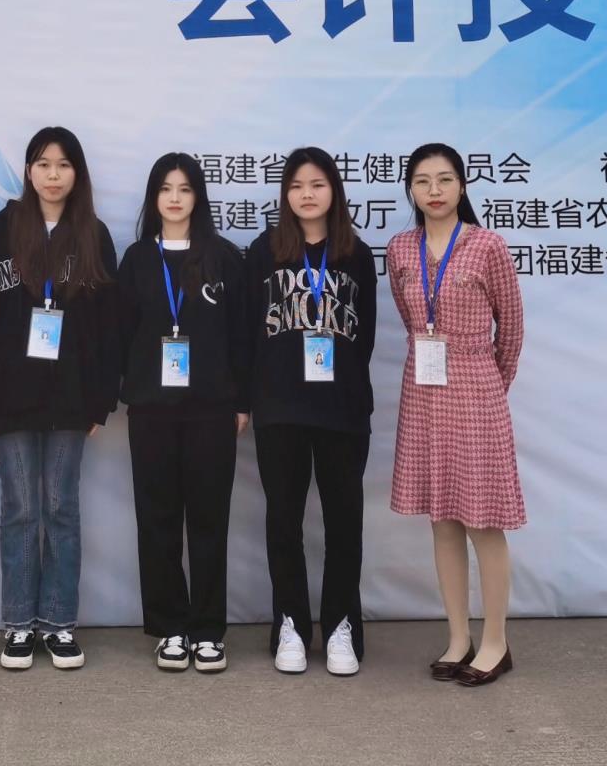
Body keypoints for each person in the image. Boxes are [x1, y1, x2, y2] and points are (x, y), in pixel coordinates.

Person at [0, 127, 118, 671]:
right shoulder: (3, 231)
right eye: (43, 164)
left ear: (78, 173)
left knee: (61, 508)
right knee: (21, 509)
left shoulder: (93, 234)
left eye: (64, 164)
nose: (53, 175)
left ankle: (59, 622)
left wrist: (100, 400)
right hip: (12, 396)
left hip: (72, 398)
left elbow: (107, 328)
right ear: (28, 171)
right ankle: (19, 623)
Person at [387, 143, 525, 687]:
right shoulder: (400, 248)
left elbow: (511, 329)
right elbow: (410, 319)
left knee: (483, 522)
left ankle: (496, 642)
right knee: (442, 520)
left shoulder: (488, 245)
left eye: (445, 179)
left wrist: (488, 385)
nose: (435, 190)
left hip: (475, 391)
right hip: (423, 392)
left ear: (463, 185)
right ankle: (458, 637)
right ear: (411, 190)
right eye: (423, 181)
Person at [240, 147, 378, 677]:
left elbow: (365, 335)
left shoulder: (356, 255)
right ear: (285, 194)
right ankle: (291, 626)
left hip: (342, 410)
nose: (307, 194)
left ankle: (341, 625)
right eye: (297, 185)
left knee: (345, 524)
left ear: (334, 191)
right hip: (280, 409)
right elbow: (248, 331)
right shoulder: (264, 251)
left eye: (317, 184)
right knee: (284, 522)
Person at [116, 153, 249, 673]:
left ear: (199, 197)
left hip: (211, 411)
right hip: (151, 410)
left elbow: (241, 335)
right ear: (153, 197)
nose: (175, 198)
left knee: (210, 522)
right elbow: (120, 334)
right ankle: (170, 627)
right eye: (166, 189)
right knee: (158, 520)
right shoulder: (136, 260)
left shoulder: (223, 257)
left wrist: (241, 402)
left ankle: (209, 630)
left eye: (185, 189)